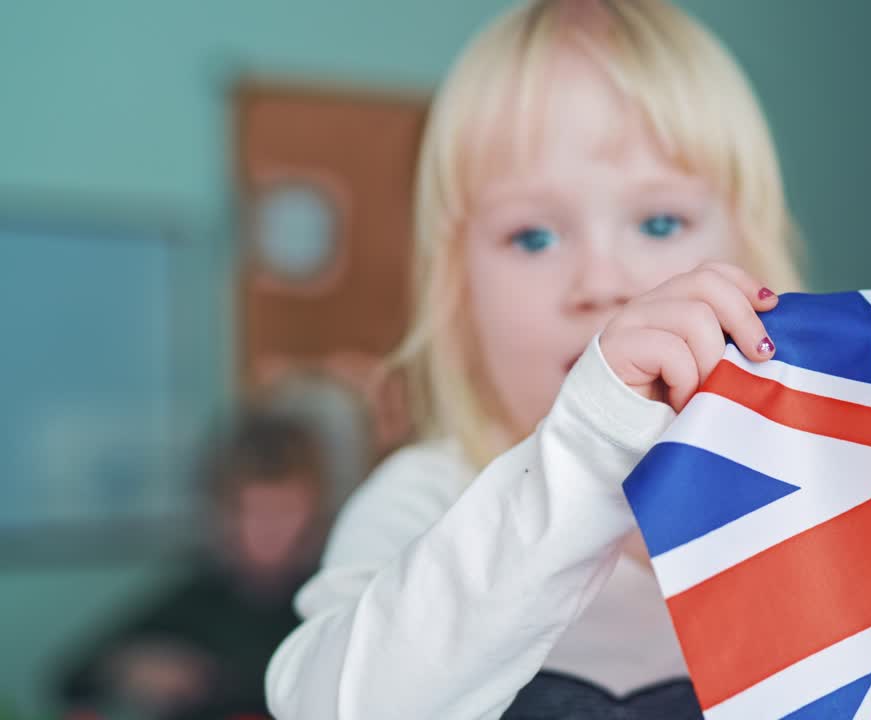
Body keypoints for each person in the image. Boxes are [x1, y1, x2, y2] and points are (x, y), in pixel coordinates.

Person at [265, 1, 806, 717]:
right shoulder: (425, 498)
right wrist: (589, 449)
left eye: (660, 221)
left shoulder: (816, 494)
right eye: (533, 238)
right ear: (459, 291)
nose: (601, 283)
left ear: (750, 255)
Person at [58, 410, 331, 720]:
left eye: (284, 510)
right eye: (253, 511)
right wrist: (128, 667)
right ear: (224, 512)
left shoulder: (331, 602)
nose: (269, 530)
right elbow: (70, 679)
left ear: (314, 510)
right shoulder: (194, 600)